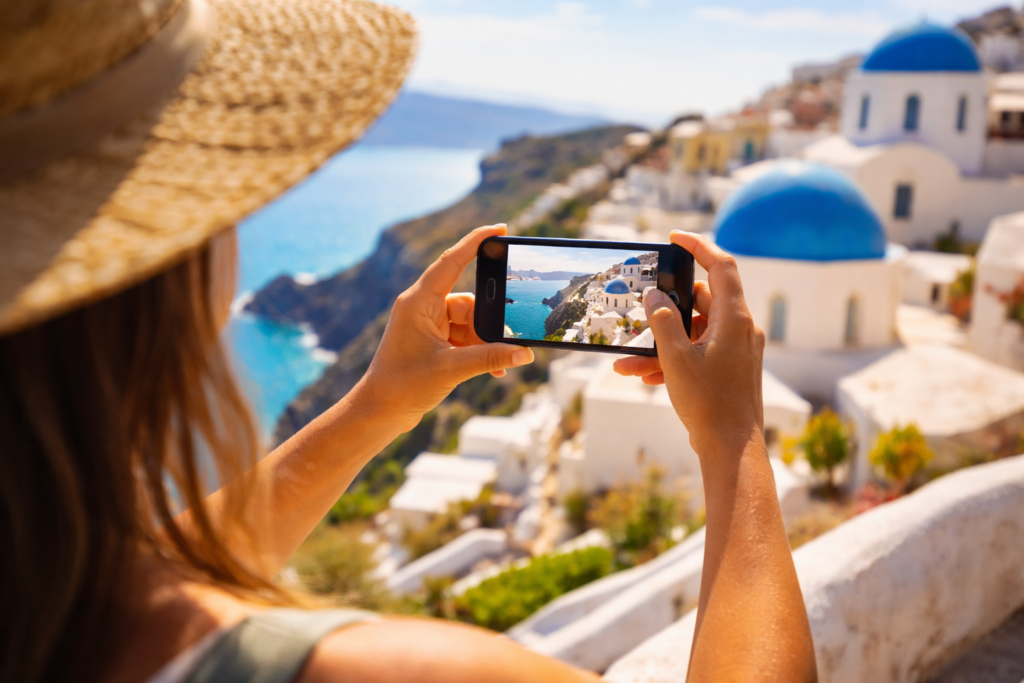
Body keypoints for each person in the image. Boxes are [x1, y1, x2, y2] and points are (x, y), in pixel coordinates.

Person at [0, 0, 816, 681]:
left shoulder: (47, 596)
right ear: (157, 267)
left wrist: (376, 406)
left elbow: (169, 565)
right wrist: (734, 436)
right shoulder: (404, 671)